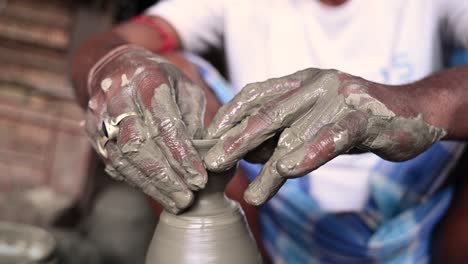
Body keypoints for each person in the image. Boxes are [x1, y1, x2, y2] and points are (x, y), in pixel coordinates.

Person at [71, 0, 468, 262]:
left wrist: (421, 104)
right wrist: (112, 66)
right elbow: (113, 41)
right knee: (164, 74)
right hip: (270, 214)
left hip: (416, 220)